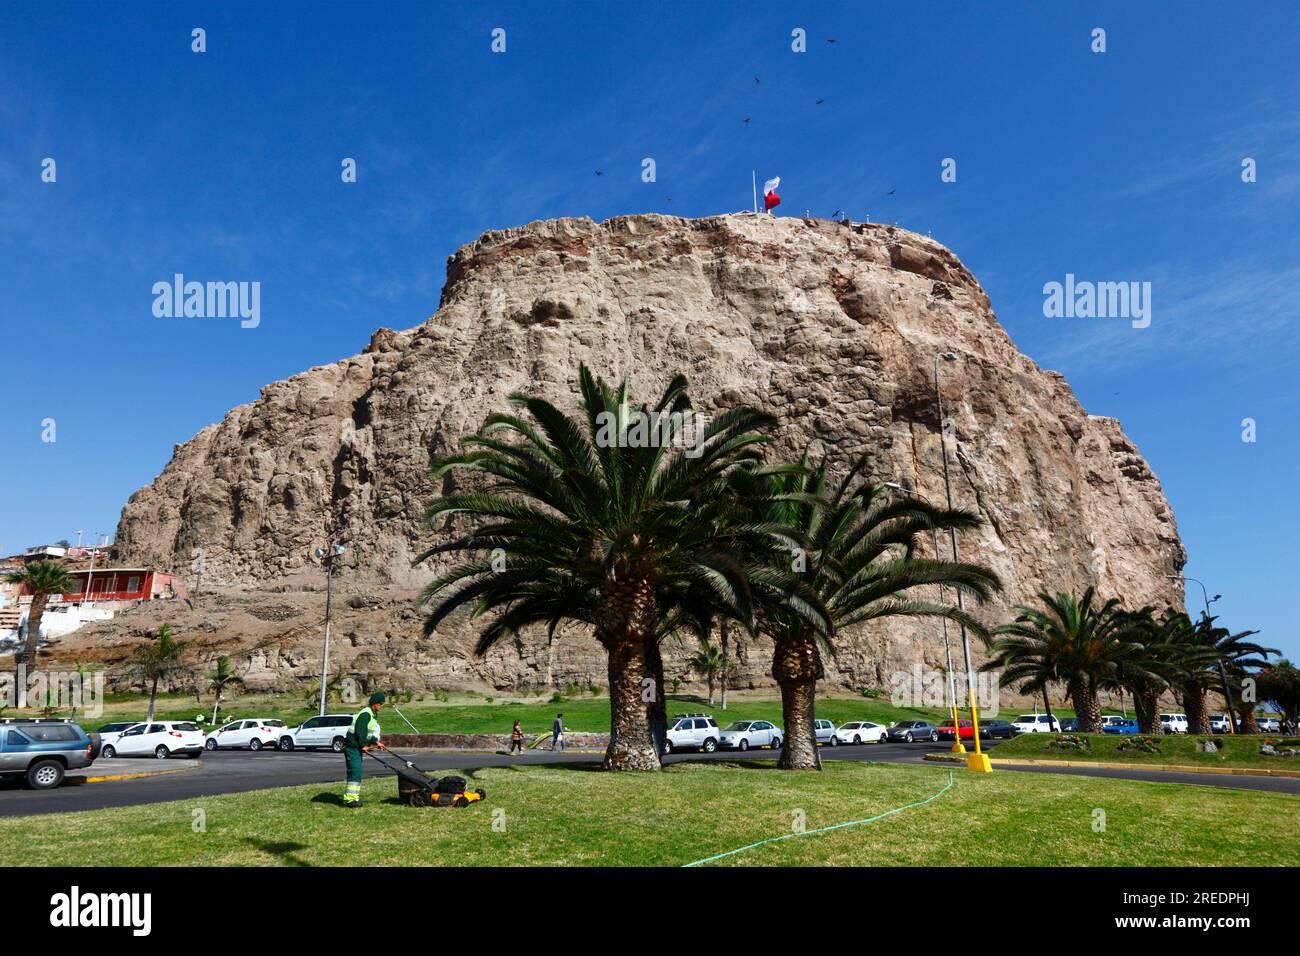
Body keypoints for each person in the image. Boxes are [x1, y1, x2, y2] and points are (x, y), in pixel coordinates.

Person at [342, 691, 387, 808]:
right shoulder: (366, 714)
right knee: (355, 771)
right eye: (381, 704)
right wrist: (363, 745)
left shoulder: (371, 715)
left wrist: (376, 742)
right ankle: (350, 800)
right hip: (352, 747)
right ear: (375, 704)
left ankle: (353, 798)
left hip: (356, 747)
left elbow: (367, 734)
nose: (382, 706)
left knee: (357, 771)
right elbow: (360, 731)